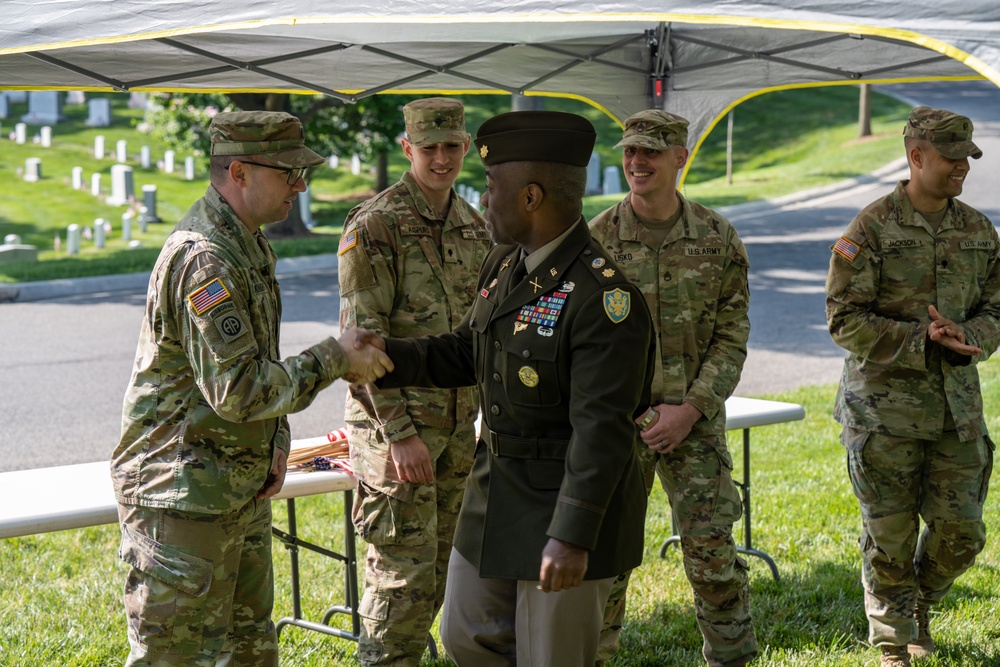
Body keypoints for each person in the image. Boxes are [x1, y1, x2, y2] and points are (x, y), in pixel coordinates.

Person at [363, 110, 655, 666]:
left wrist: (573, 533)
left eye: (493, 187)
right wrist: (384, 358)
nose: (483, 197)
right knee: (467, 637)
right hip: (497, 492)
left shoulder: (603, 300)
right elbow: (467, 351)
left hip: (564, 503)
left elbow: (603, 431)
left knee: (551, 657)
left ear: (531, 198)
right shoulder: (505, 263)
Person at [111, 110, 393, 667]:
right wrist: (335, 357)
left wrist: (274, 447)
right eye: (289, 172)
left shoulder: (246, 244)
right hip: (182, 498)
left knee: (250, 651)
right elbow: (239, 389)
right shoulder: (205, 259)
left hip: (229, 486)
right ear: (238, 171)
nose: (302, 186)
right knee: (179, 657)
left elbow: (254, 365)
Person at [826, 106, 999, 667]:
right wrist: (921, 337)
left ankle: (920, 604)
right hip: (883, 413)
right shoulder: (869, 228)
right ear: (916, 156)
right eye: (951, 158)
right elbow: (843, 318)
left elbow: (997, 306)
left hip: (956, 410)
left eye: (968, 158)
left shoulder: (978, 229)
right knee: (890, 534)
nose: (962, 169)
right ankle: (894, 641)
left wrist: (970, 334)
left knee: (961, 532)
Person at [589, 110, 755, 667]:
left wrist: (691, 409)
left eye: (650, 153)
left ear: (680, 158)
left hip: (694, 424)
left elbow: (732, 339)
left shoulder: (717, 237)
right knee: (603, 558)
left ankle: (730, 657)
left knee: (712, 554)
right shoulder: (596, 240)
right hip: (616, 426)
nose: (637, 163)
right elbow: (575, 340)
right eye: (629, 152)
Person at [337, 97, 491, 666]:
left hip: (456, 432)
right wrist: (400, 433)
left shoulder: (476, 228)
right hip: (395, 435)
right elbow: (360, 349)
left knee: (439, 575)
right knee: (400, 585)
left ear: (467, 146)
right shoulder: (376, 225)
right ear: (408, 149)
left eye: (452, 146)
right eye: (429, 148)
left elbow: (481, 338)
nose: (442, 158)